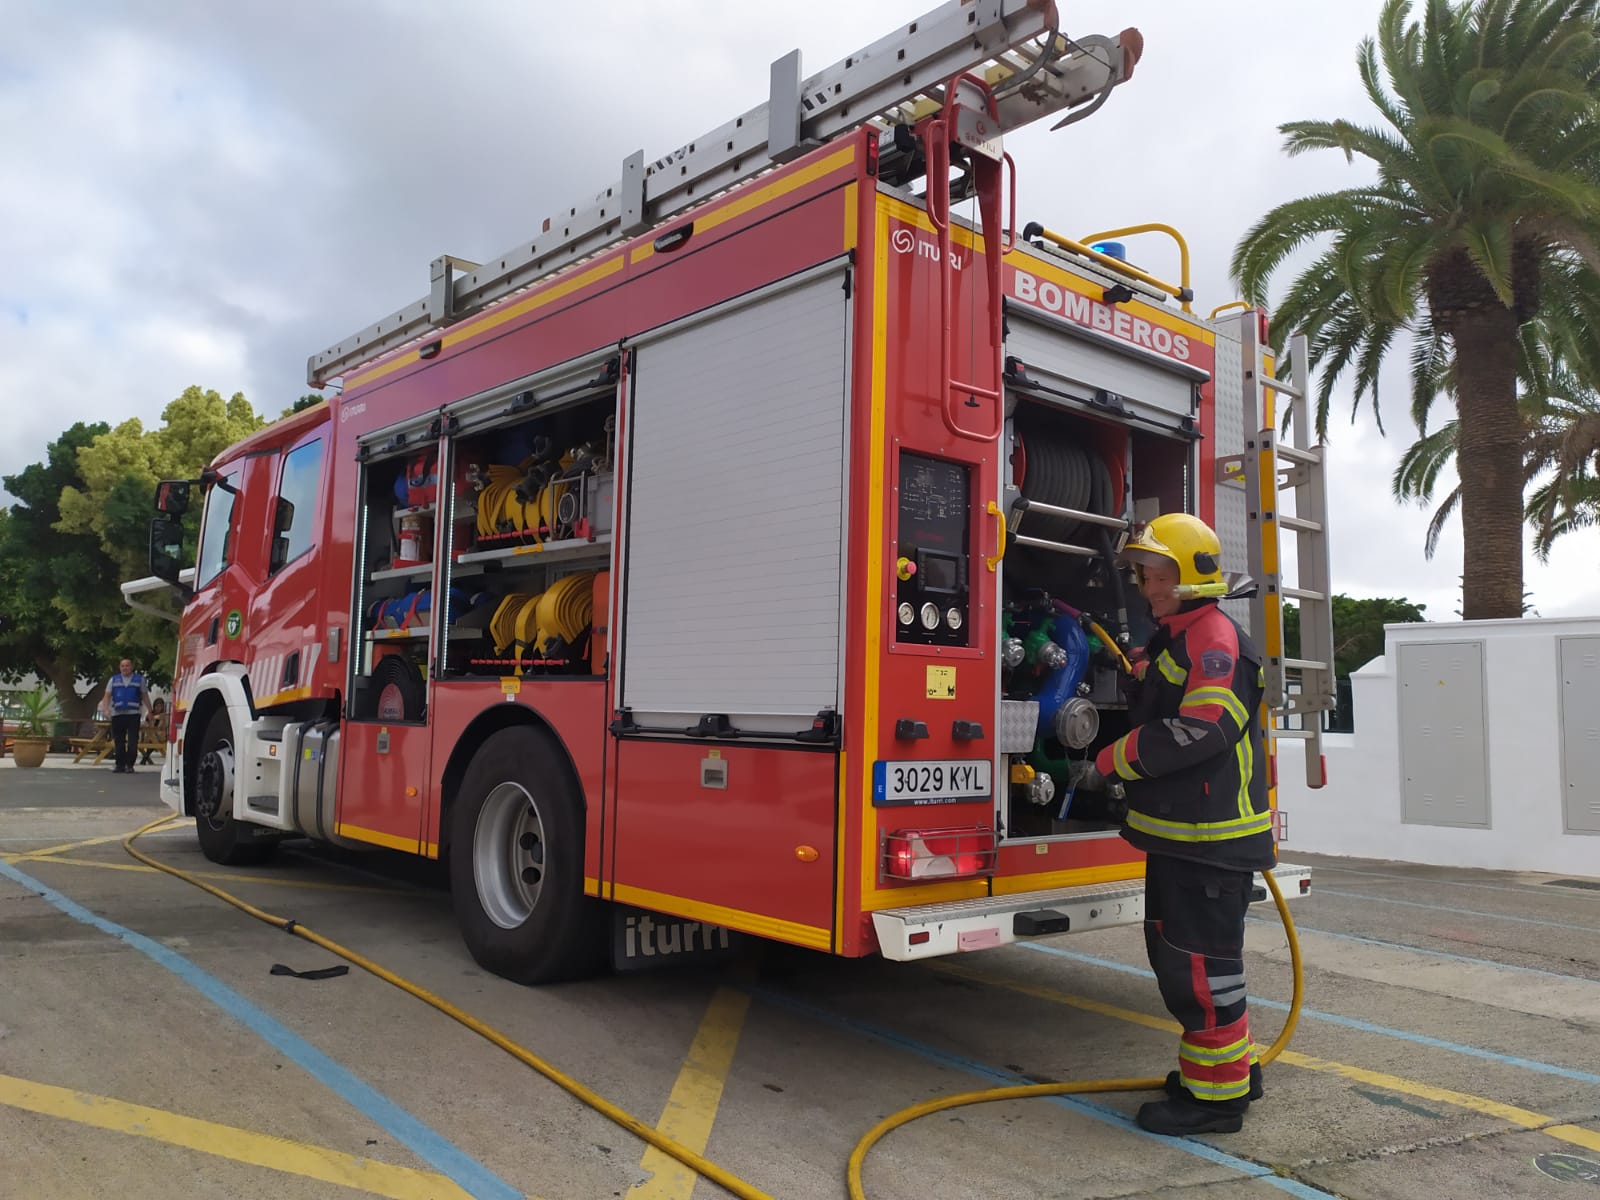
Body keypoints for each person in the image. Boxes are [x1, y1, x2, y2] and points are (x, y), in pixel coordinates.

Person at [1070, 512, 1275, 1136]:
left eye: (1160, 576)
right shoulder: (1182, 637)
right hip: (1185, 838)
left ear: (1192, 575)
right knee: (1190, 962)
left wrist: (1113, 760)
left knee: (1201, 972)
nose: (1149, 587)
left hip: (1208, 843)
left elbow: (1205, 727)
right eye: (1144, 575)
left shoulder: (1212, 638)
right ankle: (1225, 1072)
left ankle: (1215, 1103)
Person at [101, 658, 151, 774]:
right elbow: (107, 696)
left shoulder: (139, 680)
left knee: (133, 741)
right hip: (117, 714)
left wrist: (150, 710)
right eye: (123, 666)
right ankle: (120, 765)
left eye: (127, 665)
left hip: (133, 715)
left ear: (132, 667)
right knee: (119, 741)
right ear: (120, 667)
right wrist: (105, 709)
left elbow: (144, 695)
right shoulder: (114, 680)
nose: (125, 668)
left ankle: (130, 765)